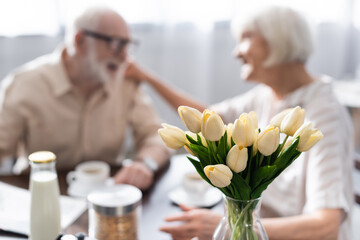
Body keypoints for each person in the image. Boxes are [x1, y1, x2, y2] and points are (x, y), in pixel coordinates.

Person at [126, 6, 354, 240]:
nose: (236, 52)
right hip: (249, 223)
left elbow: (326, 227)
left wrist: (230, 225)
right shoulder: (268, 95)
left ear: (278, 39)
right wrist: (147, 78)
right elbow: (207, 120)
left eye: (246, 38)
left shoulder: (325, 115)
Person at [0, 6, 171, 191]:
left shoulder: (125, 81)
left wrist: (144, 164)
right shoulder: (25, 84)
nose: (124, 56)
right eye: (115, 43)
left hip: (109, 194)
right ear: (80, 41)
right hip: (41, 192)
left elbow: (158, 136)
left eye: (127, 45)